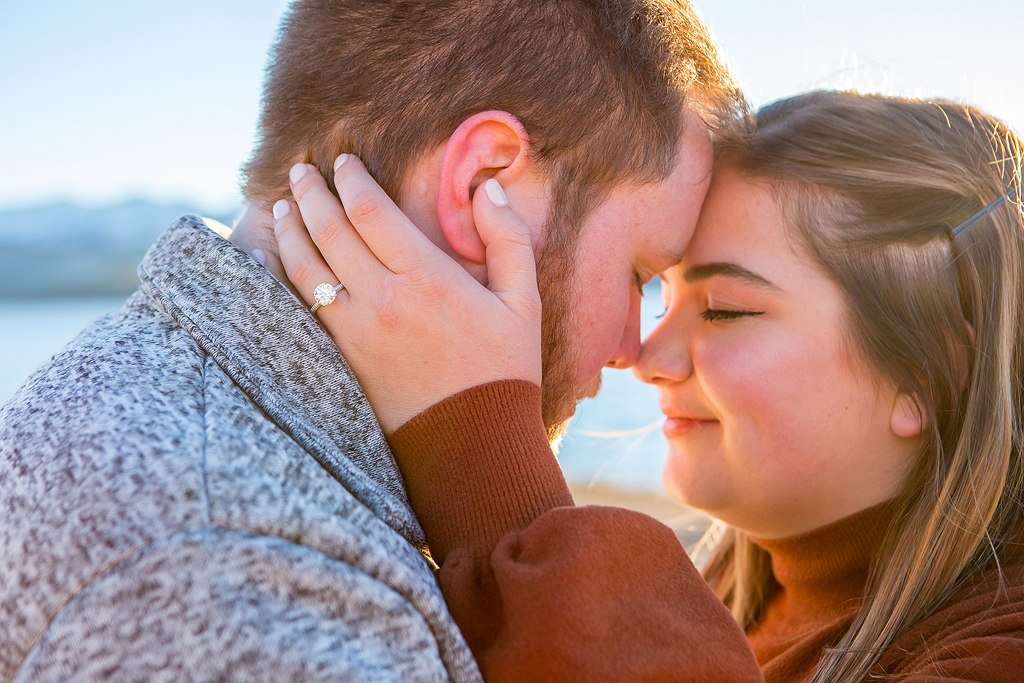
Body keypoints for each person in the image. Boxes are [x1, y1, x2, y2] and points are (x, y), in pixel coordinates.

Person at [0, 1, 740, 680]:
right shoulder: (232, 573)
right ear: (486, 186)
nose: (631, 347)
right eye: (639, 272)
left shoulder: (187, 417)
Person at [274, 91, 1024, 682]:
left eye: (726, 308)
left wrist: (480, 452)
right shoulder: (728, 606)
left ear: (931, 374)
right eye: (655, 290)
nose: (648, 355)